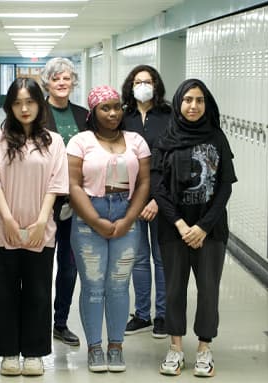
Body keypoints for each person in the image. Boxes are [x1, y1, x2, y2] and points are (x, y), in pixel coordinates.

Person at [0, 77, 68, 377]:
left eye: (30, 102)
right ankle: (7, 353)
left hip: (40, 228)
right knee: (2, 293)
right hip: (2, 228)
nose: (24, 108)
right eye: (17, 103)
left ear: (40, 104)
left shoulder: (54, 141)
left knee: (38, 292)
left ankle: (34, 352)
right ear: (9, 106)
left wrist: (43, 219)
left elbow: (56, 183)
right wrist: (7, 220)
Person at [153, 79, 237, 377]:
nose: (193, 106)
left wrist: (201, 227)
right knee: (174, 289)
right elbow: (158, 187)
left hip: (210, 231)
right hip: (173, 229)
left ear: (207, 104)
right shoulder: (166, 139)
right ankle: (175, 348)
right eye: (188, 100)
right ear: (178, 103)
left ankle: (204, 348)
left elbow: (225, 187)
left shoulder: (217, 138)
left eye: (199, 100)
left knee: (208, 291)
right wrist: (179, 223)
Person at [67, 85, 151, 372]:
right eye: (106, 108)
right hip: (90, 215)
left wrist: (129, 219)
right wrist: (95, 220)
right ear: (93, 112)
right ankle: (94, 348)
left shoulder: (136, 141)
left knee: (117, 285)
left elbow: (143, 183)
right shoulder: (81, 142)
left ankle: (115, 346)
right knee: (92, 285)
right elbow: (73, 185)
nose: (113, 112)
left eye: (117, 107)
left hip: (127, 212)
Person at [39, 57, 88, 346]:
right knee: (42, 265)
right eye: (56, 78)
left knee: (69, 267)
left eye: (66, 78)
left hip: (77, 202)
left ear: (73, 82)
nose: (61, 83)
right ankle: (39, 320)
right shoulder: (36, 113)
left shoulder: (84, 115)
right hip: (44, 201)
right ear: (47, 82)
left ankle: (60, 322)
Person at [121, 65, 172, 338]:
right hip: (131, 199)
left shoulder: (168, 115)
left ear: (156, 85)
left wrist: (155, 199)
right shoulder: (123, 115)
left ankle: (162, 316)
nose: (143, 86)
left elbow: (173, 159)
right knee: (139, 259)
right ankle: (142, 314)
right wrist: (139, 200)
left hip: (162, 198)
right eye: (138, 81)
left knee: (162, 259)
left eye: (148, 81)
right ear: (131, 85)